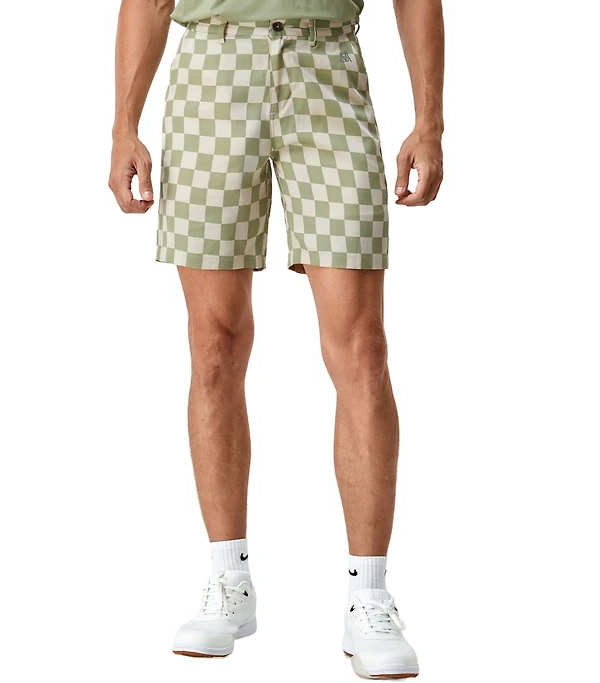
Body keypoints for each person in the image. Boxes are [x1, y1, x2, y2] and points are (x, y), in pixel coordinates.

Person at [109, 0, 444, 678]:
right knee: (214, 346)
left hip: (328, 70)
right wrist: (124, 126)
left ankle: (368, 594)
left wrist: (429, 121)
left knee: (362, 349)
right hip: (211, 72)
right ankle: (227, 578)